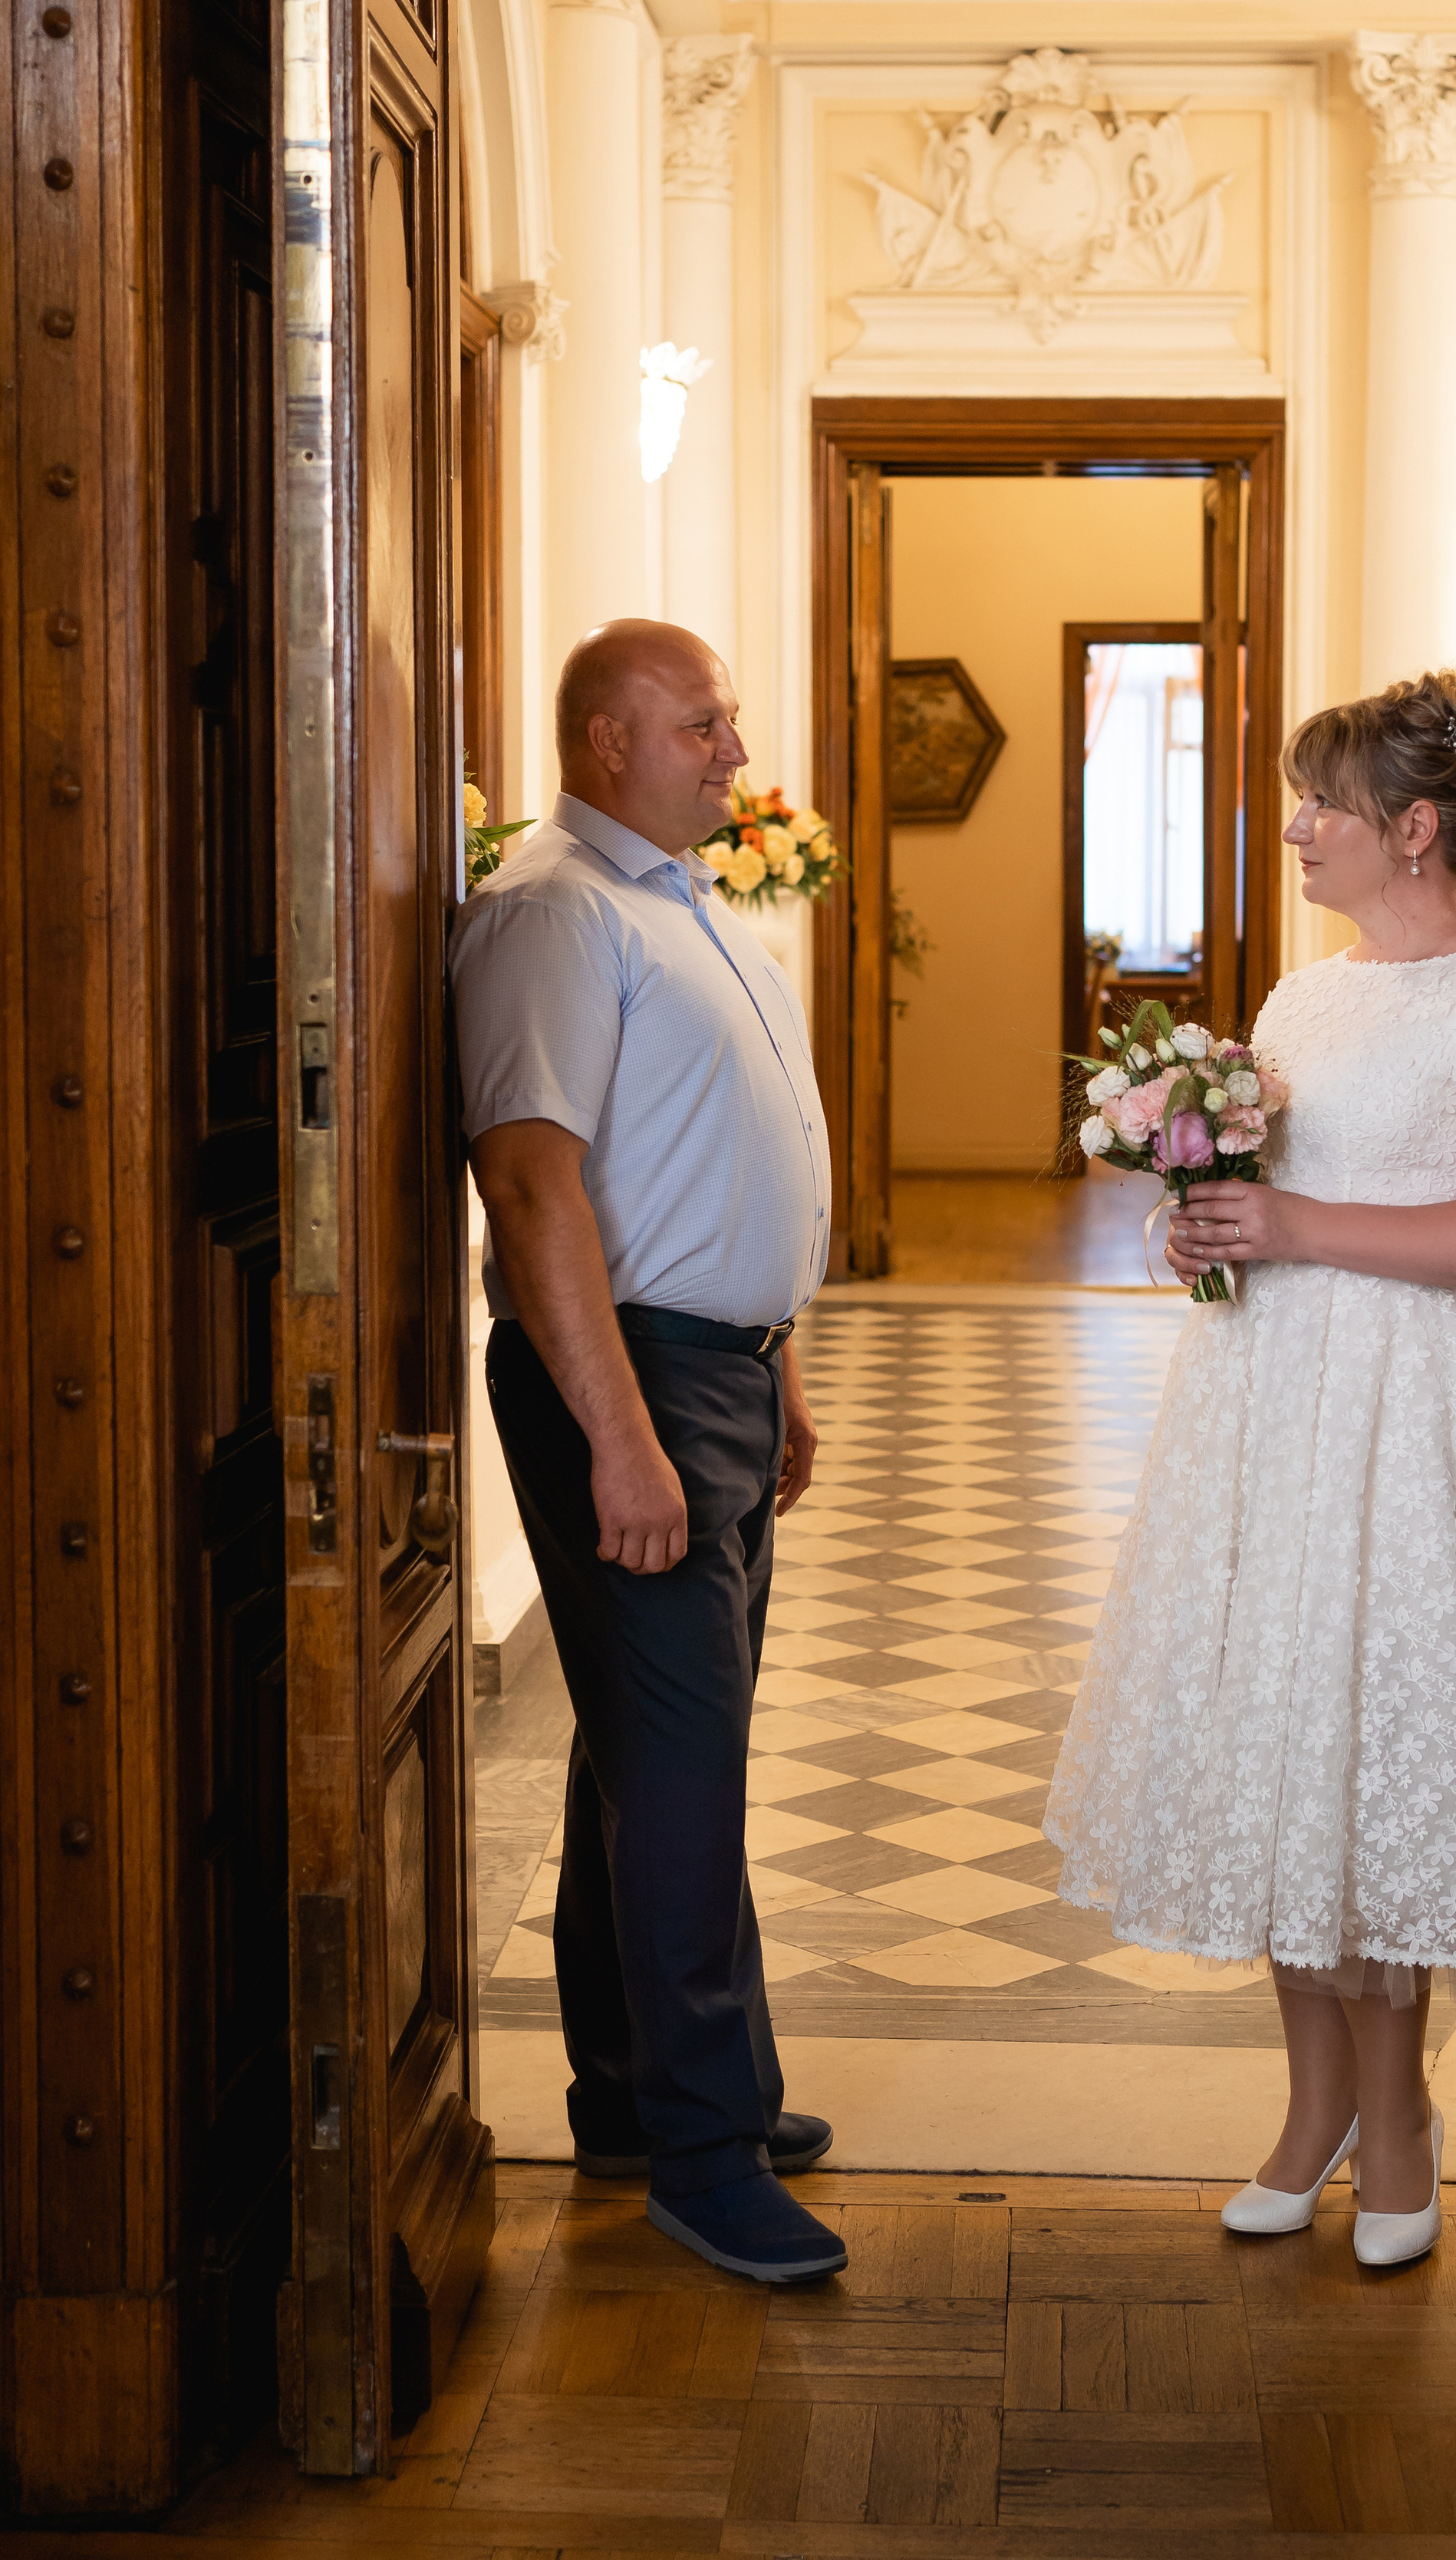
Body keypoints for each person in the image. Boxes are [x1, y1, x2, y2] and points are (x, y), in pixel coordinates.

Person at [1045, 668, 1456, 2268]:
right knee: (1278, 1734)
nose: (1293, 824)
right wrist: (1200, 1226)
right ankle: (1307, 2109)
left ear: (1413, 830)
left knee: (1370, 1736)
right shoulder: (1295, 998)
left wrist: (1296, 1225)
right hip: (1266, 1396)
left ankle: (1398, 2120)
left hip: (1405, 1407)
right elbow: (1268, 1193)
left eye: (1320, 803)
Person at [450, 619, 845, 2287]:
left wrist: (782, 1371)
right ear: (607, 742)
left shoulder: (673, 901)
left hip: (718, 1377)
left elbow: (702, 1161)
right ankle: (701, 2153)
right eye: (704, 727)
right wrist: (623, 1434)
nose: (735, 755)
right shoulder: (550, 908)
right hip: (636, 1384)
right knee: (684, 1770)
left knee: (646, 1750)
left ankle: (632, 2094)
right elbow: (533, 1184)